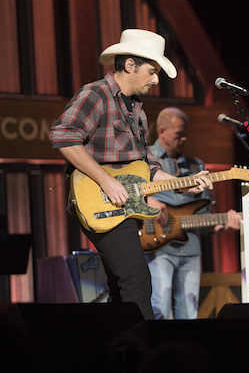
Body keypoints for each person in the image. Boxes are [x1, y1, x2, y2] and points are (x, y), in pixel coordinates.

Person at [50, 29, 213, 320]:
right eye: (152, 71)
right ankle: (146, 356)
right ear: (129, 65)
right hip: (100, 200)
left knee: (120, 287)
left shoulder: (136, 109)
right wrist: (106, 180)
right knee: (137, 280)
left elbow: (147, 167)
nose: (155, 80)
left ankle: (119, 353)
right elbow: (63, 137)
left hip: (125, 206)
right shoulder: (96, 93)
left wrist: (183, 185)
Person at [144, 107, 241, 319]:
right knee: (158, 309)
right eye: (179, 133)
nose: (184, 138)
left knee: (189, 315)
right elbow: (126, 192)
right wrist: (149, 203)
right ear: (162, 131)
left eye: (186, 132)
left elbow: (205, 215)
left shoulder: (196, 165)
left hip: (190, 251)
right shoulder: (145, 159)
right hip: (156, 247)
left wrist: (223, 226)